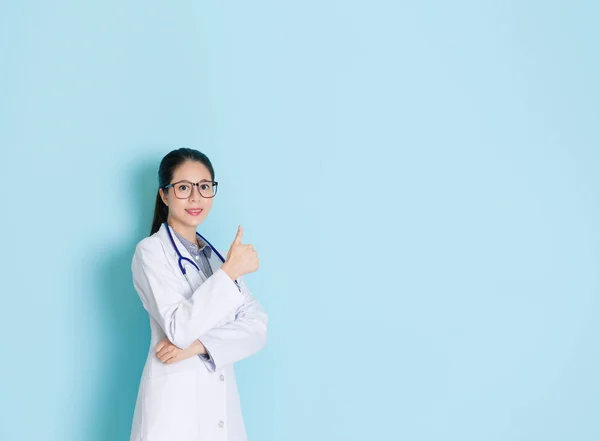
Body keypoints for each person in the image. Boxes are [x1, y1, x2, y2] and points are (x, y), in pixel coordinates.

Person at [129, 148, 268, 441]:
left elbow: (256, 328)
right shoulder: (151, 252)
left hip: (220, 410)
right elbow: (179, 328)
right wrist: (229, 274)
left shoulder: (217, 259)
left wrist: (199, 347)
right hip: (172, 411)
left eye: (204, 187)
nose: (196, 197)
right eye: (183, 188)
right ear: (164, 195)